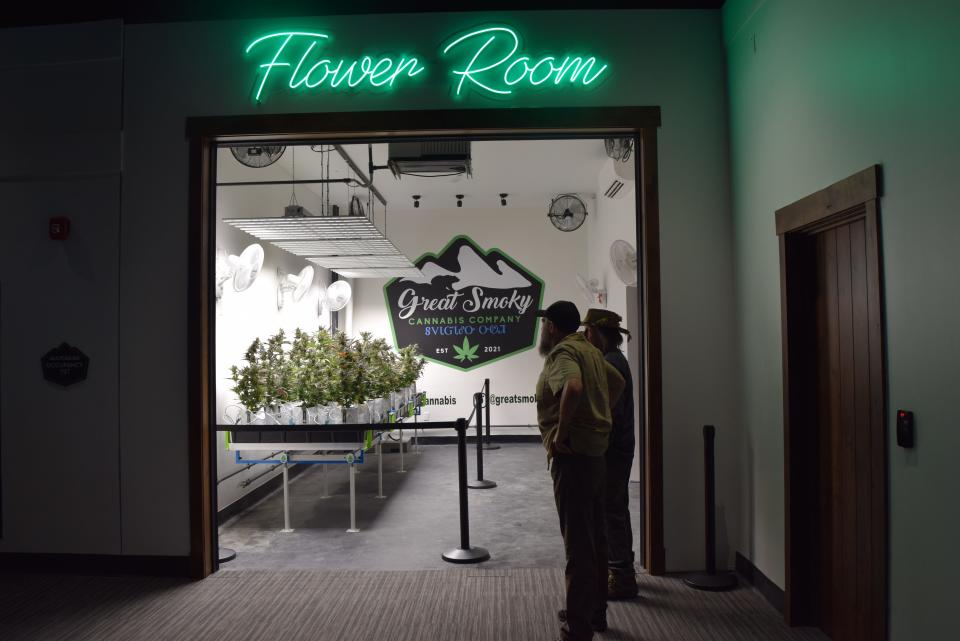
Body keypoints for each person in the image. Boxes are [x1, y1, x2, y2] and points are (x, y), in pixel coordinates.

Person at [535, 300, 625, 641]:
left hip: (573, 460)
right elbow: (616, 384)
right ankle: (595, 612)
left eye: (545, 324)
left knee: (577, 544)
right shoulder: (588, 350)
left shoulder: (562, 355)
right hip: (596, 455)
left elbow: (572, 388)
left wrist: (562, 432)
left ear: (553, 327)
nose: (543, 330)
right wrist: (597, 418)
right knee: (596, 539)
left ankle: (578, 626)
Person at [582, 308, 638, 600]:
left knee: (611, 511)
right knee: (616, 508)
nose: (586, 336)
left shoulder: (610, 363)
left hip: (612, 450)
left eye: (588, 331)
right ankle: (623, 569)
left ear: (596, 333)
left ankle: (621, 577)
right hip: (619, 448)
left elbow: (609, 412)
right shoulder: (616, 359)